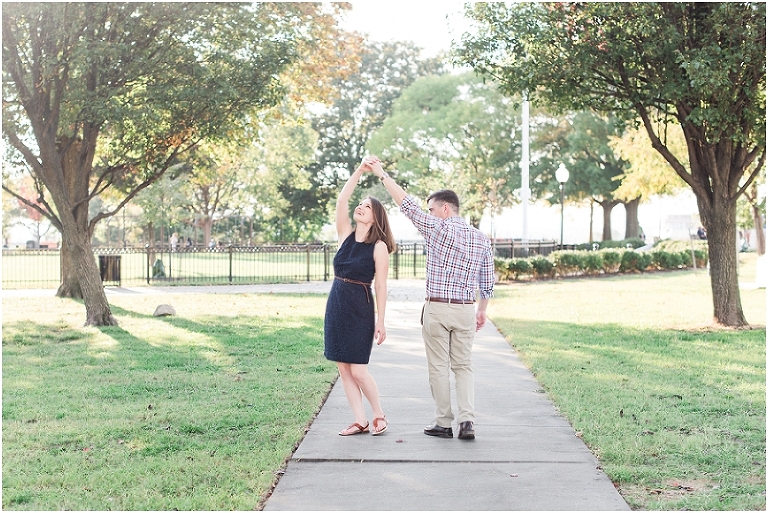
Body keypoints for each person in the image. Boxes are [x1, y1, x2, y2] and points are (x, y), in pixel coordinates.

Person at [365, 156, 494, 441]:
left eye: (432, 209)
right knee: (463, 366)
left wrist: (382, 174)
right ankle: (467, 421)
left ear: (445, 209)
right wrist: (482, 310)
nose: (429, 214)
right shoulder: (481, 239)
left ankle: (443, 423)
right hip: (465, 309)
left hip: (437, 308)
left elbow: (406, 205)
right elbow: (487, 282)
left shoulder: (438, 227)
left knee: (438, 367)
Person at [324, 157, 396, 437]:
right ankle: (360, 420)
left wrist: (381, 321)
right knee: (343, 368)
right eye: (361, 204)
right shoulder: (345, 235)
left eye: (367, 206)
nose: (360, 207)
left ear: (376, 217)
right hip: (336, 305)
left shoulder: (379, 247)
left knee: (358, 370)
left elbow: (381, 286)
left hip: (360, 309)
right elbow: (342, 201)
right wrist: (359, 170)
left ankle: (379, 414)